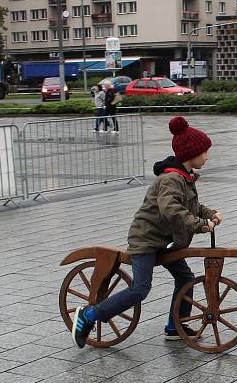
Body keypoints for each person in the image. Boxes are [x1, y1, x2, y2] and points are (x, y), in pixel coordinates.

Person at [71, 116, 221, 347]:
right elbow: (171, 209)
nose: (208, 157)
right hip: (146, 240)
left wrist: (209, 213)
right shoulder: (172, 179)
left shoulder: (184, 177)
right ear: (192, 154)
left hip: (163, 240)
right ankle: (88, 316)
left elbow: (189, 206)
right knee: (140, 289)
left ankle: (175, 326)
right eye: (205, 152)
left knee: (185, 278)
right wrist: (200, 224)